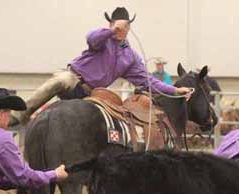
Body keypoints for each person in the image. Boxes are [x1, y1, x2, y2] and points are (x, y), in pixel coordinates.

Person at [13, 7, 192, 124]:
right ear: (110, 24)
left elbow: (149, 81)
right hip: (74, 79)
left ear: (129, 28)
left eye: (124, 27)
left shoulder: (130, 57)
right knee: (60, 80)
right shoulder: (102, 39)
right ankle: (21, 113)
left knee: (105, 120)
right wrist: (112, 31)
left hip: (94, 93)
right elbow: (91, 38)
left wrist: (175, 90)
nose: (121, 30)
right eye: (117, 26)